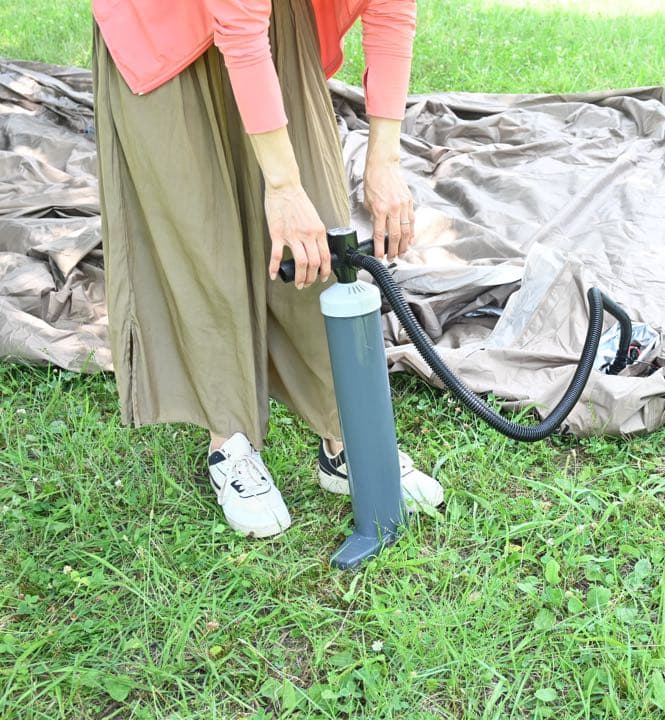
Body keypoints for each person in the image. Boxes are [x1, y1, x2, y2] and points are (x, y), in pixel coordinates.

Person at [91, 0, 443, 538]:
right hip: (162, 19)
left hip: (274, 14)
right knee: (201, 229)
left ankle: (347, 434)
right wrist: (280, 188)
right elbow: (236, 23)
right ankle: (228, 438)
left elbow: (391, 10)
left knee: (318, 227)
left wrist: (385, 160)